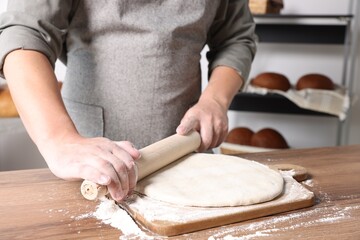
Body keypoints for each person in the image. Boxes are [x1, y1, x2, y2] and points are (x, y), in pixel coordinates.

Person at [0, 0, 256, 202]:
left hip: (188, 155)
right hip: (88, 169)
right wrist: (59, 139)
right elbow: (25, 32)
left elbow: (236, 38)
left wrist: (215, 100)